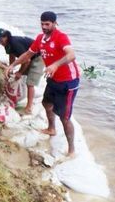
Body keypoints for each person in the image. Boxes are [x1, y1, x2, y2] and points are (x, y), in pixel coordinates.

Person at [8, 11, 80, 156]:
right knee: (47, 104)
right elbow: (28, 54)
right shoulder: (40, 39)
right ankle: (51, 128)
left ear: (54, 23)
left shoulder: (61, 37)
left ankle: (72, 149)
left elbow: (71, 55)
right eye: (42, 24)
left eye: (47, 24)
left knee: (65, 117)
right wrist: (13, 65)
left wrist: (55, 65)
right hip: (53, 79)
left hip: (68, 82)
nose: (44, 27)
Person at [0, 28, 44, 114]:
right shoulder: (7, 44)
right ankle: (18, 98)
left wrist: (20, 72)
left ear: (5, 36)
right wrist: (10, 69)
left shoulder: (14, 43)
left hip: (38, 58)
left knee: (30, 83)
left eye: (0, 40)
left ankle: (29, 107)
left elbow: (27, 60)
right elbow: (12, 55)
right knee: (19, 78)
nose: (0, 42)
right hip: (28, 59)